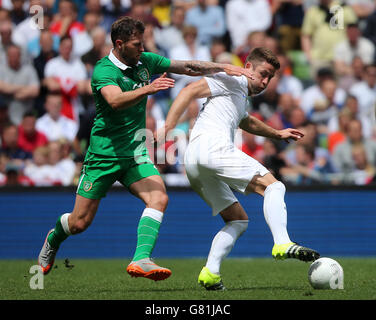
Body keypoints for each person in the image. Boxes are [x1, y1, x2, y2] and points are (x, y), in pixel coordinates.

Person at [38, 16, 254, 281]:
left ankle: (141, 259)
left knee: (159, 198)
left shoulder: (144, 61)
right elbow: (115, 100)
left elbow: (187, 66)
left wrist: (221, 66)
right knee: (79, 223)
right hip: (104, 155)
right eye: (137, 44)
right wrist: (149, 89)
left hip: (136, 152)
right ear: (119, 44)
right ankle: (54, 237)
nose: (143, 49)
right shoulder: (104, 70)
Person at [155, 47, 320, 290]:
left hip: (195, 160)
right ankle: (282, 242)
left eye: (270, 78)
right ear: (248, 67)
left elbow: (245, 120)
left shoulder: (238, 92)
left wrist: (276, 133)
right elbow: (190, 90)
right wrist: (167, 127)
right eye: (263, 74)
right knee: (274, 187)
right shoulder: (231, 77)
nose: (265, 81)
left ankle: (210, 273)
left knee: (237, 220)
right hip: (213, 148)